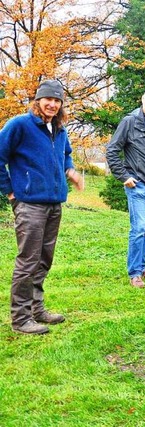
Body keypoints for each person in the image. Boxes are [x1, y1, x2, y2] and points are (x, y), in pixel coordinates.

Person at [0, 79, 84, 334]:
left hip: (53, 203)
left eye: (57, 101)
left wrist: (69, 170)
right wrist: (11, 192)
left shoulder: (59, 129)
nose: (52, 104)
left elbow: (66, 153)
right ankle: (20, 318)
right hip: (29, 205)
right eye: (48, 99)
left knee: (44, 260)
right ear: (37, 100)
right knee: (28, 261)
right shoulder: (19, 125)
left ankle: (36, 309)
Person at [106, 88, 145, 289]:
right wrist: (124, 177)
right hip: (138, 186)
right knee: (139, 229)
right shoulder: (129, 122)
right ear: (143, 99)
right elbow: (112, 151)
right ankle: (134, 273)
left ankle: (141, 267)